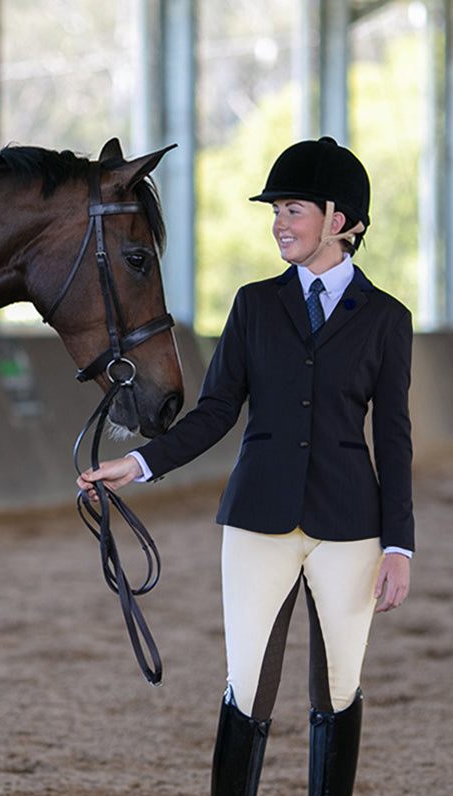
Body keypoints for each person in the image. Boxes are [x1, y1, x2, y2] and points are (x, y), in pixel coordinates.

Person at [77, 136, 413, 796]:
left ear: (340, 220)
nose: (278, 223)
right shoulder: (254, 305)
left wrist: (399, 544)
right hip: (257, 520)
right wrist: (139, 464)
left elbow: (395, 439)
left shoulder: (386, 320)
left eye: (293, 209)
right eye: (275, 211)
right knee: (247, 683)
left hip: (351, 526)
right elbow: (215, 412)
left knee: (338, 689)